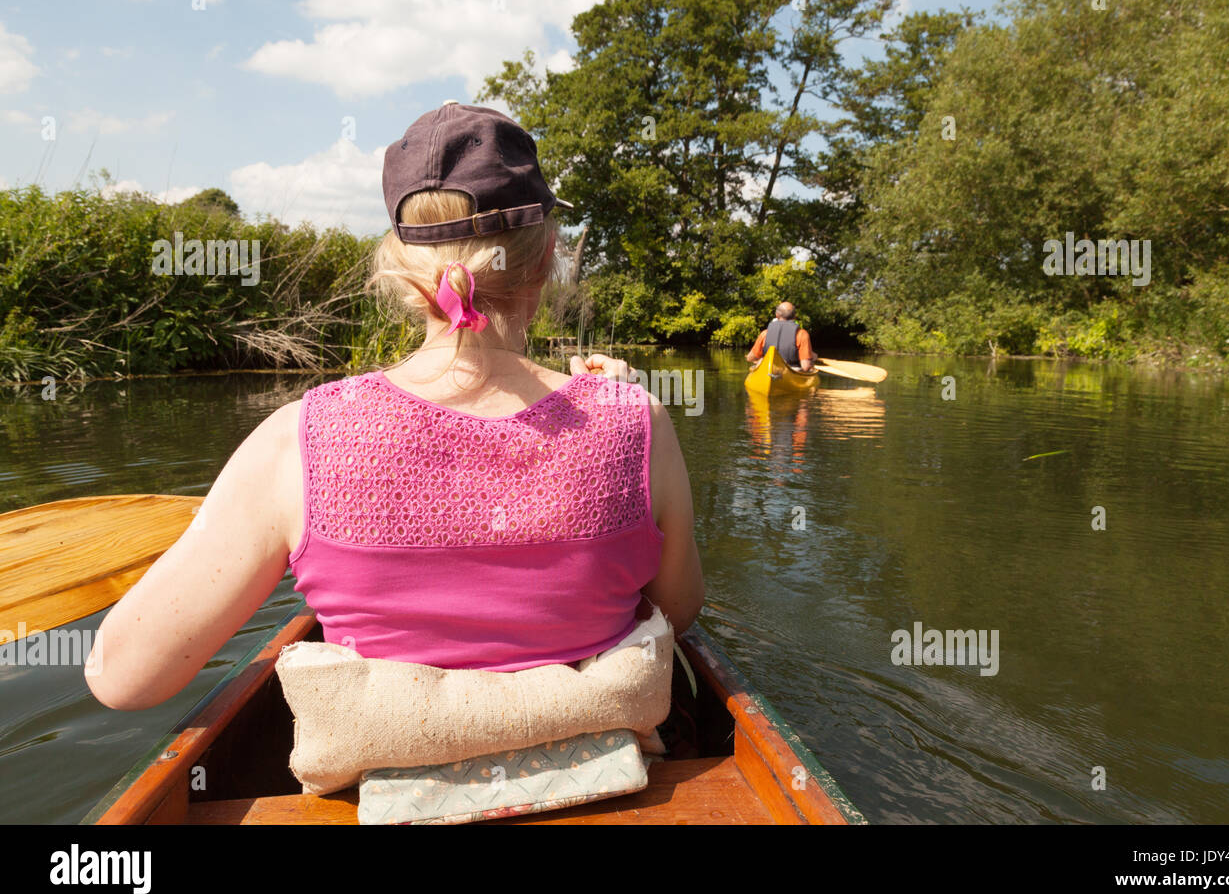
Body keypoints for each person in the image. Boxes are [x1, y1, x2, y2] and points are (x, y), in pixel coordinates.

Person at [85, 102, 705, 709]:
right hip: (601, 786)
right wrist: (615, 401)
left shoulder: (296, 439)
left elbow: (123, 681)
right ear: (544, 259)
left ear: (401, 268)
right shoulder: (635, 418)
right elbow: (673, 614)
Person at [747, 301, 816, 371]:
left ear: (777, 315)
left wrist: (761, 358)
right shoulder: (802, 334)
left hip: (768, 369)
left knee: (761, 360)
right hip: (790, 371)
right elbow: (805, 366)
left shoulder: (765, 333)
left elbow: (750, 358)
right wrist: (812, 360)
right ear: (795, 316)